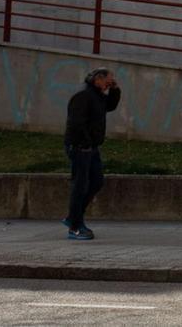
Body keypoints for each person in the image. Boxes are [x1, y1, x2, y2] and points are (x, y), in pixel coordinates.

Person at [63, 67, 121, 240]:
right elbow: (76, 123)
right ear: (97, 79)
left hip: (91, 147)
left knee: (96, 181)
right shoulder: (83, 96)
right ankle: (74, 227)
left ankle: (73, 217)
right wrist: (85, 142)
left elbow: (110, 105)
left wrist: (115, 89)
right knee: (79, 185)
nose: (108, 84)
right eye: (107, 81)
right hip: (80, 147)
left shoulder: (97, 96)